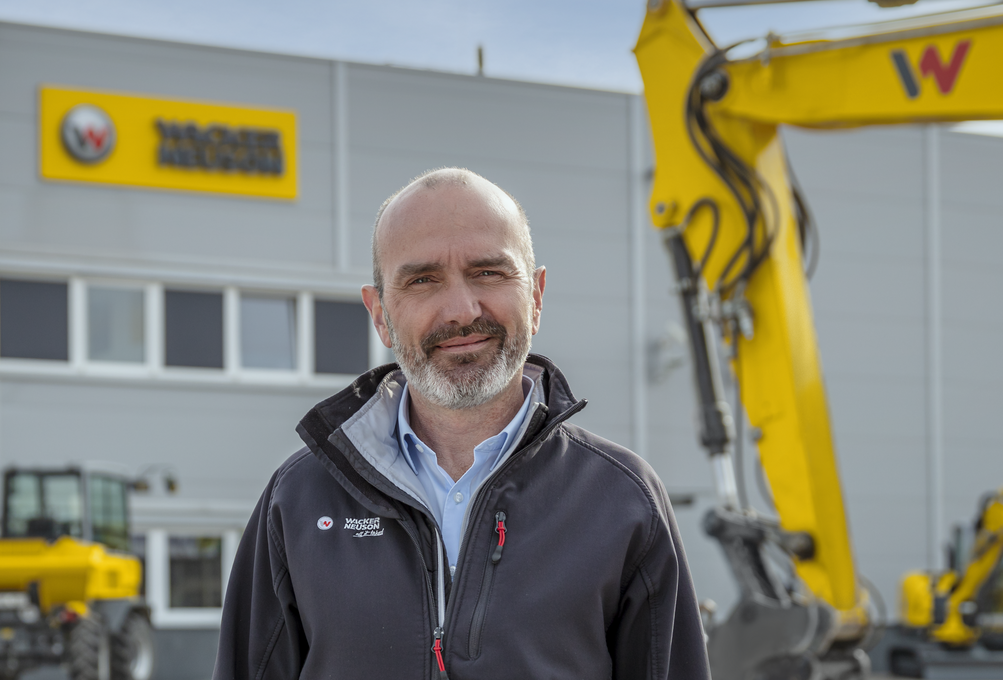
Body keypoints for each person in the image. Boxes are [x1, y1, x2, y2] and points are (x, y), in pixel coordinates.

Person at [214, 168, 709, 679]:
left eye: (489, 273)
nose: (461, 310)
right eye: (423, 280)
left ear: (536, 295)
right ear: (380, 312)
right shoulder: (298, 499)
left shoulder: (622, 501)